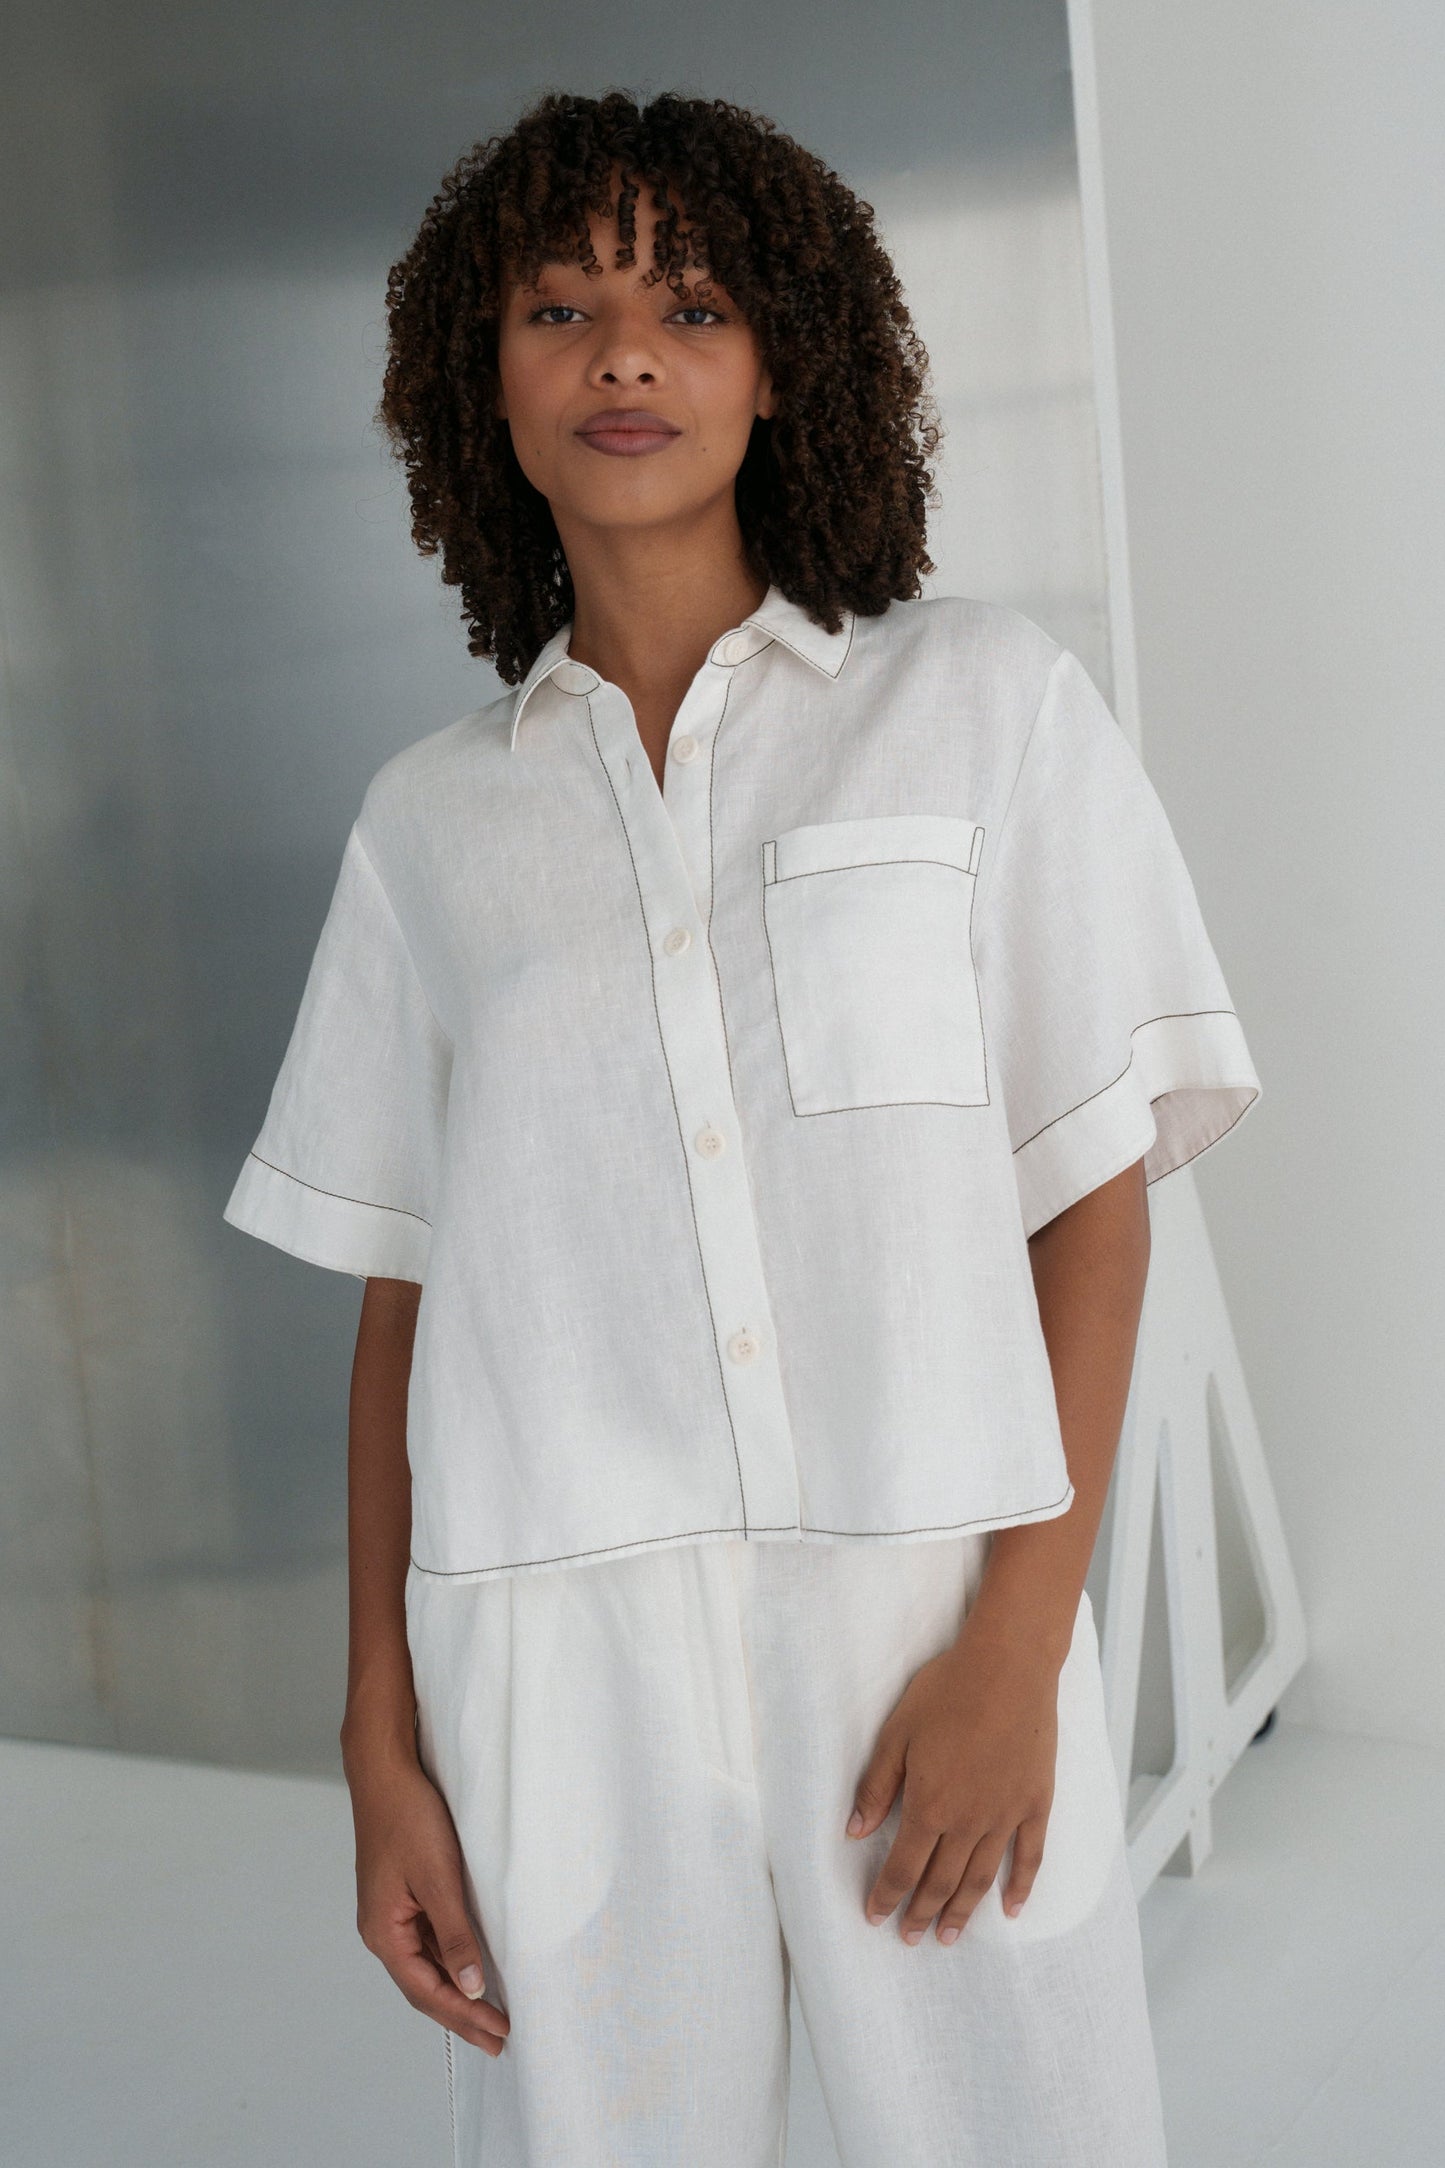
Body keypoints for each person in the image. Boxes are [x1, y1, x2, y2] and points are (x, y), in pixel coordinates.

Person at [223, 89, 1261, 2166]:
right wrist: (381, 1736)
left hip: (927, 1612)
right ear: (477, 385)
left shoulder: (984, 710)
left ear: (784, 359)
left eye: (691, 304)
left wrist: (1019, 1643)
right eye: (560, 306)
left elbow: (1091, 1198)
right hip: (554, 1647)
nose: (625, 353)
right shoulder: (433, 824)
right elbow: (404, 1298)